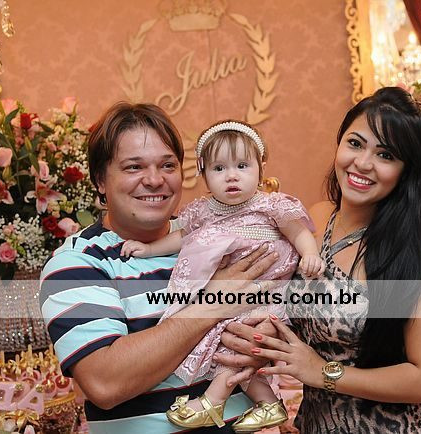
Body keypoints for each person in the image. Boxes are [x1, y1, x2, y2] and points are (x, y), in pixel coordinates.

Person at [240, 87, 421, 433]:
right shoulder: (317, 218)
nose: (362, 163)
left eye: (385, 154)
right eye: (355, 143)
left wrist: (322, 372)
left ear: (405, 171)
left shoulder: (410, 255)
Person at [39, 103, 278, 433]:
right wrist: (212, 305)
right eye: (134, 167)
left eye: (167, 165)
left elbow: (279, 308)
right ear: (100, 180)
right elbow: (104, 382)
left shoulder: (217, 236)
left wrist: (264, 338)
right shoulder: (78, 262)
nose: (154, 180)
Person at [120, 120, 323, 431]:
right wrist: (149, 250)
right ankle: (268, 403)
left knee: (237, 344)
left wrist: (310, 254)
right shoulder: (204, 211)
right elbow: (181, 238)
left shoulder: (270, 205)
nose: (231, 176)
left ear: (261, 168)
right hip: (228, 297)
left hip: (266, 293)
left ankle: (213, 401)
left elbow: (298, 232)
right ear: (203, 173)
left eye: (242, 165)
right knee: (226, 346)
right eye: (219, 168)